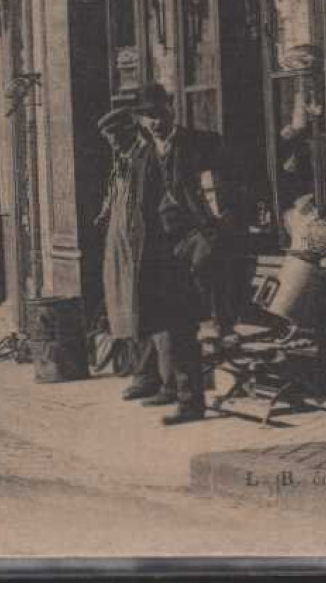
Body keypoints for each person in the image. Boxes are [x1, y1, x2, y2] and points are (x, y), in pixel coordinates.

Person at [132, 82, 226, 426]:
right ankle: (190, 403)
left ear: (172, 108)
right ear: (141, 121)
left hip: (198, 242)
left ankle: (204, 379)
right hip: (165, 251)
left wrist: (212, 234)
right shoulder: (143, 157)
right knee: (176, 324)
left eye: (159, 113)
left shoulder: (202, 144)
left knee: (202, 318)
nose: (154, 122)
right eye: (147, 117)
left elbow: (222, 194)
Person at [94, 104, 156, 399]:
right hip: (118, 242)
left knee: (138, 306)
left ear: (129, 133)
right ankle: (134, 367)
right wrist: (105, 212)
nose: (113, 144)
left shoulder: (144, 159)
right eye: (110, 139)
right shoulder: (121, 160)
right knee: (121, 306)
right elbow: (114, 195)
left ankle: (146, 374)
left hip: (137, 242)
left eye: (116, 138)